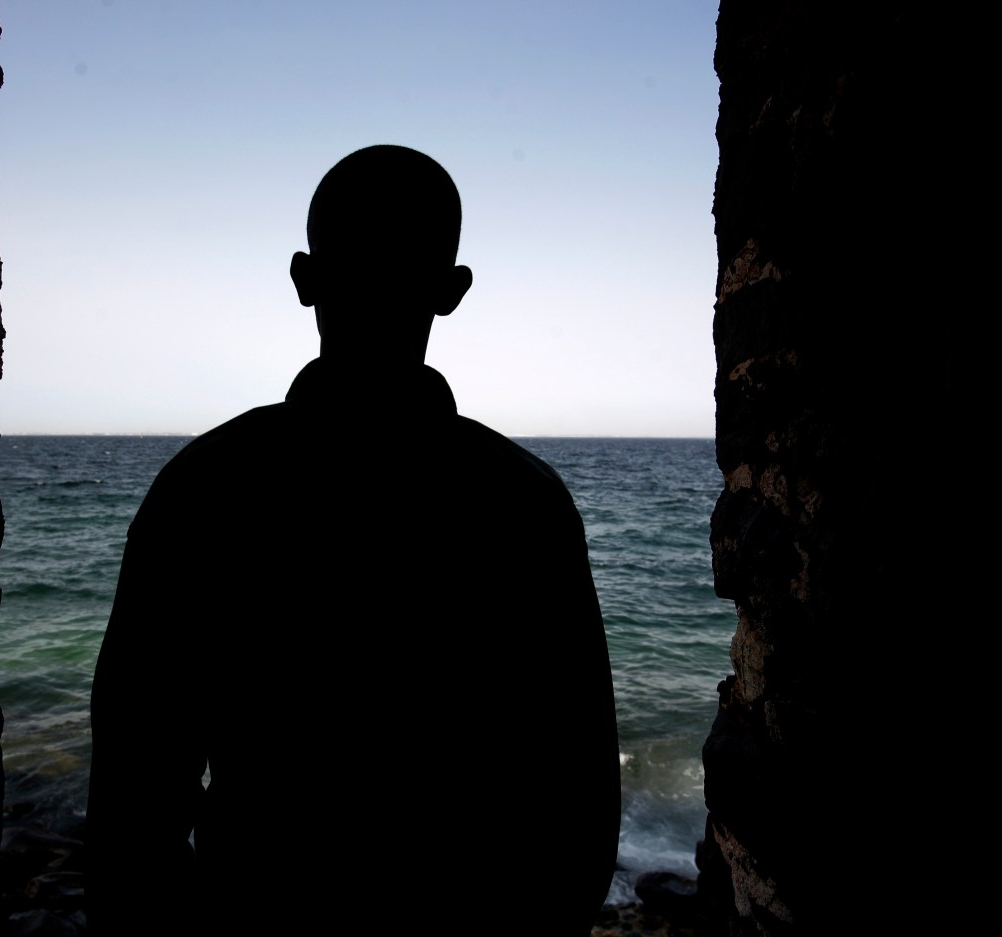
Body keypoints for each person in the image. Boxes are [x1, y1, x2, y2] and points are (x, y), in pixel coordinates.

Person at [87, 144, 619, 936]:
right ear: (451, 291)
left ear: (304, 279)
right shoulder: (524, 501)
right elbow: (576, 799)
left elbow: (135, 794)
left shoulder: (204, 486)